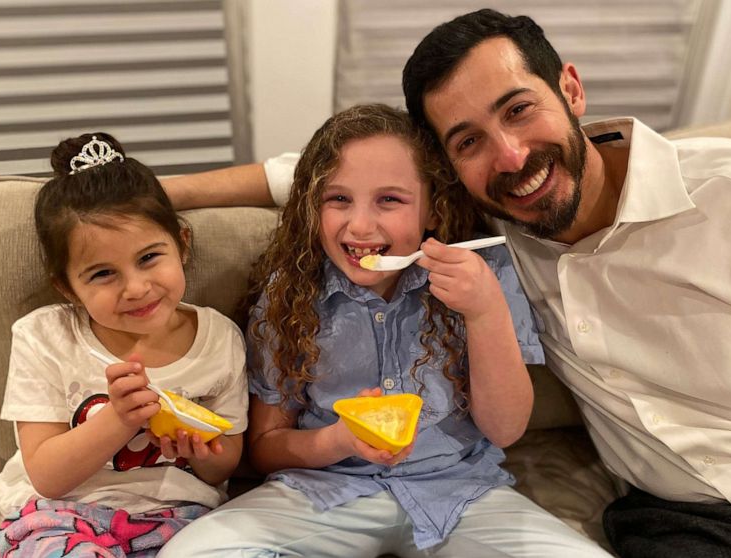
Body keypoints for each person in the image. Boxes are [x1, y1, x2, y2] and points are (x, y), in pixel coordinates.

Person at [163, 9, 731, 558]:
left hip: (471, 492)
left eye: (520, 109)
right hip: (671, 514)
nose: (512, 157)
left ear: (571, 89)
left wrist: (486, 311)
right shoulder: (479, 228)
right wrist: (148, 194)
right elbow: (332, 170)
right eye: (470, 141)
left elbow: (503, 425)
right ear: (453, 169)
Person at [159, 104, 611, 557]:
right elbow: (265, 447)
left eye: (389, 200)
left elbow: (506, 428)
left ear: (432, 210)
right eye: (338, 200)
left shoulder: (485, 277)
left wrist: (484, 310)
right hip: (325, 492)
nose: (359, 225)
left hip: (459, 493)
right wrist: (338, 439)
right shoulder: (289, 295)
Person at [0, 133, 248, 556]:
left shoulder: (219, 339)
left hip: (179, 516)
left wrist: (201, 451)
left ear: (182, 245)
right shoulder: (44, 337)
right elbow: (47, 476)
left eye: (149, 258)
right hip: (60, 516)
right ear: (68, 287)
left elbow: (227, 461)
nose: (136, 288)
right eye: (102, 274)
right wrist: (119, 419)